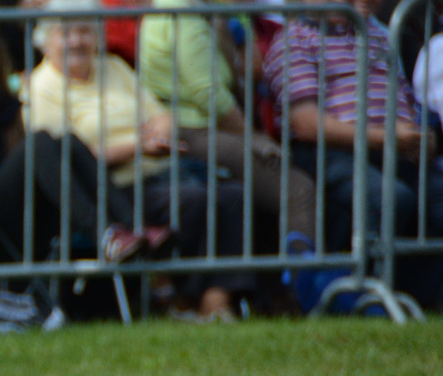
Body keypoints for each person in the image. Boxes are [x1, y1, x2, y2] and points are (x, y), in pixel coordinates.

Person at [25, 0, 253, 320]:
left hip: (161, 170)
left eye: (84, 31)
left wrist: (158, 132)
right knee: (192, 200)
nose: (76, 40)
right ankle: (180, 299)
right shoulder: (43, 86)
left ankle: (216, 300)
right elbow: (67, 159)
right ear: (46, 41)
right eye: (66, 32)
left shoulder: (114, 67)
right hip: (114, 188)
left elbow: (159, 114)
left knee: (234, 196)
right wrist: (137, 145)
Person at [0, 23, 166, 263]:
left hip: (15, 210)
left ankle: (134, 227)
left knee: (68, 140)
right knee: (39, 141)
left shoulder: (11, 104)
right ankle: (105, 233)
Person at [264, 0, 443, 306]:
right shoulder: (293, 40)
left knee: (438, 197)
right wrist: (384, 138)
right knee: (387, 197)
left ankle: (419, 299)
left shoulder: (378, 34)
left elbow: (402, 99)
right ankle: (358, 296)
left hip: (390, 149)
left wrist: (418, 138)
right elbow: (306, 125)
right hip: (328, 152)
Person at [139, 0, 318, 256]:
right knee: (297, 189)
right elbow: (208, 94)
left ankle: (279, 290)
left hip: (191, 128)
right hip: (192, 131)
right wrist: (251, 137)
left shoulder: (183, 10)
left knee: (263, 187)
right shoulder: (184, 14)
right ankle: (306, 284)